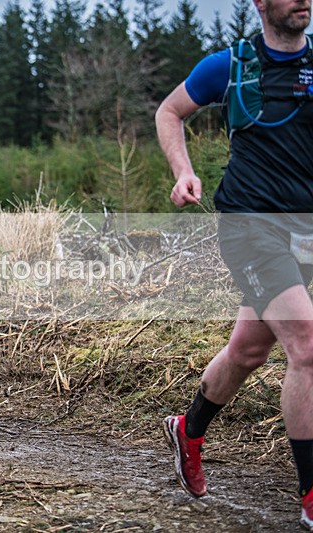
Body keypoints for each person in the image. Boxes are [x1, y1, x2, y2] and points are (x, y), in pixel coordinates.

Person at [155, 0, 313, 528]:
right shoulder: (230, 65)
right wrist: (183, 171)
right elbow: (169, 111)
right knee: (307, 345)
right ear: (261, 3)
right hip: (249, 225)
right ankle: (311, 496)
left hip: (305, 233)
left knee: (247, 350)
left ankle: (188, 428)